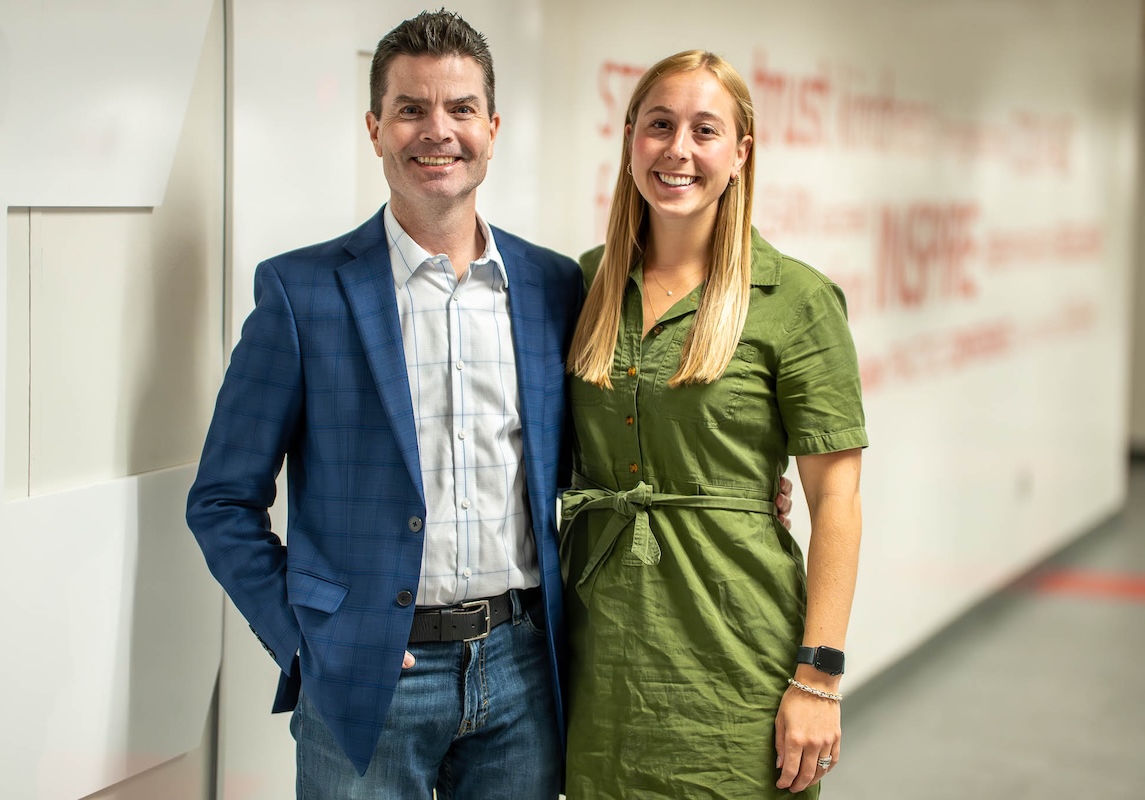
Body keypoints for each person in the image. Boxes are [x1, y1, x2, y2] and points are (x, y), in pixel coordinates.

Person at [185, 10, 582, 798]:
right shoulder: (302, 294)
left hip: (523, 672)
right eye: (411, 109)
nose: (438, 131)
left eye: (461, 108)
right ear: (375, 129)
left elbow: (587, 457)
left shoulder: (554, 286)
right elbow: (222, 501)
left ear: (493, 129)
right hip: (371, 675)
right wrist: (307, 641)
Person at [561, 50, 866, 799]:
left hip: (737, 650)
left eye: (705, 130)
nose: (678, 150)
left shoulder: (796, 301)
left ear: (740, 153)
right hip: (603, 652)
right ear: (630, 137)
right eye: (660, 125)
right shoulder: (583, 284)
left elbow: (837, 502)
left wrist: (820, 678)